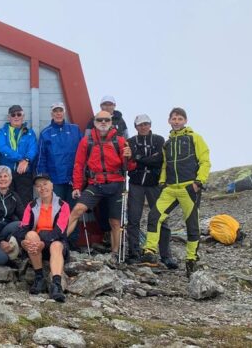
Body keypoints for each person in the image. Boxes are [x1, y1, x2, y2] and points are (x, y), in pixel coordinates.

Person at [141, 108, 210, 277]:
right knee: (154, 216)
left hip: (189, 188)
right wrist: (162, 182)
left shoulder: (195, 138)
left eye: (180, 118)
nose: (177, 121)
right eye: (174, 118)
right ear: (169, 121)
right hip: (170, 188)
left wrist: (199, 182)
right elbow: (165, 165)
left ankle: (191, 259)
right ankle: (149, 250)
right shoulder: (167, 143)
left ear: (185, 120)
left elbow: (205, 161)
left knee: (192, 225)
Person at [65, 111, 135, 260]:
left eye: (106, 120)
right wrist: (77, 186)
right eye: (99, 120)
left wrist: (130, 157)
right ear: (95, 123)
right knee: (77, 210)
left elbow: (130, 167)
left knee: (115, 221)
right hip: (95, 184)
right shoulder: (86, 141)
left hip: (116, 184)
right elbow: (79, 164)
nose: (103, 122)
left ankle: (115, 253)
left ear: (111, 122)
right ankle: (58, 243)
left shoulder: (121, 141)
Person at [125, 114, 176, 268]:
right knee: (133, 218)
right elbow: (129, 161)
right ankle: (134, 253)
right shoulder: (131, 141)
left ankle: (165, 255)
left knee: (161, 218)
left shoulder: (159, 140)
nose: (144, 127)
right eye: (140, 124)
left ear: (150, 124)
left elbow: (159, 159)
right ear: (136, 127)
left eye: (146, 124)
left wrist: (138, 157)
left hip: (155, 184)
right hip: (136, 184)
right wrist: (147, 158)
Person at [13, 174, 70, 303]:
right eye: (38, 186)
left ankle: (56, 284)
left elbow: (59, 231)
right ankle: (39, 277)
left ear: (52, 185)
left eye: (45, 184)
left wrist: (43, 243)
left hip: (56, 244)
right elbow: (23, 227)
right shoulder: (31, 205)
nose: (42, 188)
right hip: (37, 246)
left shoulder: (63, 205)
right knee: (30, 235)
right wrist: (23, 242)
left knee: (56, 244)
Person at [36, 102, 83, 249]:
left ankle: (72, 243)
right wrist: (43, 180)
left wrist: (82, 176)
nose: (58, 114)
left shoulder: (75, 130)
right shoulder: (45, 133)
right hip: (55, 180)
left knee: (74, 211)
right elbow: (41, 158)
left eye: (60, 111)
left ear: (64, 112)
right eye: (55, 111)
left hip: (73, 180)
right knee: (57, 212)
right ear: (51, 114)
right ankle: (57, 241)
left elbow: (83, 152)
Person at [0, 105, 38, 204]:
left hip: (24, 173)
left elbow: (33, 149)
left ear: (23, 116)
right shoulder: (2, 132)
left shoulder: (30, 133)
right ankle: (8, 220)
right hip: (6, 173)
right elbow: (1, 147)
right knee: (7, 202)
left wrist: (27, 160)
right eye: (13, 114)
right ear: (9, 117)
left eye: (19, 114)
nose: (16, 117)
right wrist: (21, 159)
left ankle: (24, 220)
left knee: (25, 202)